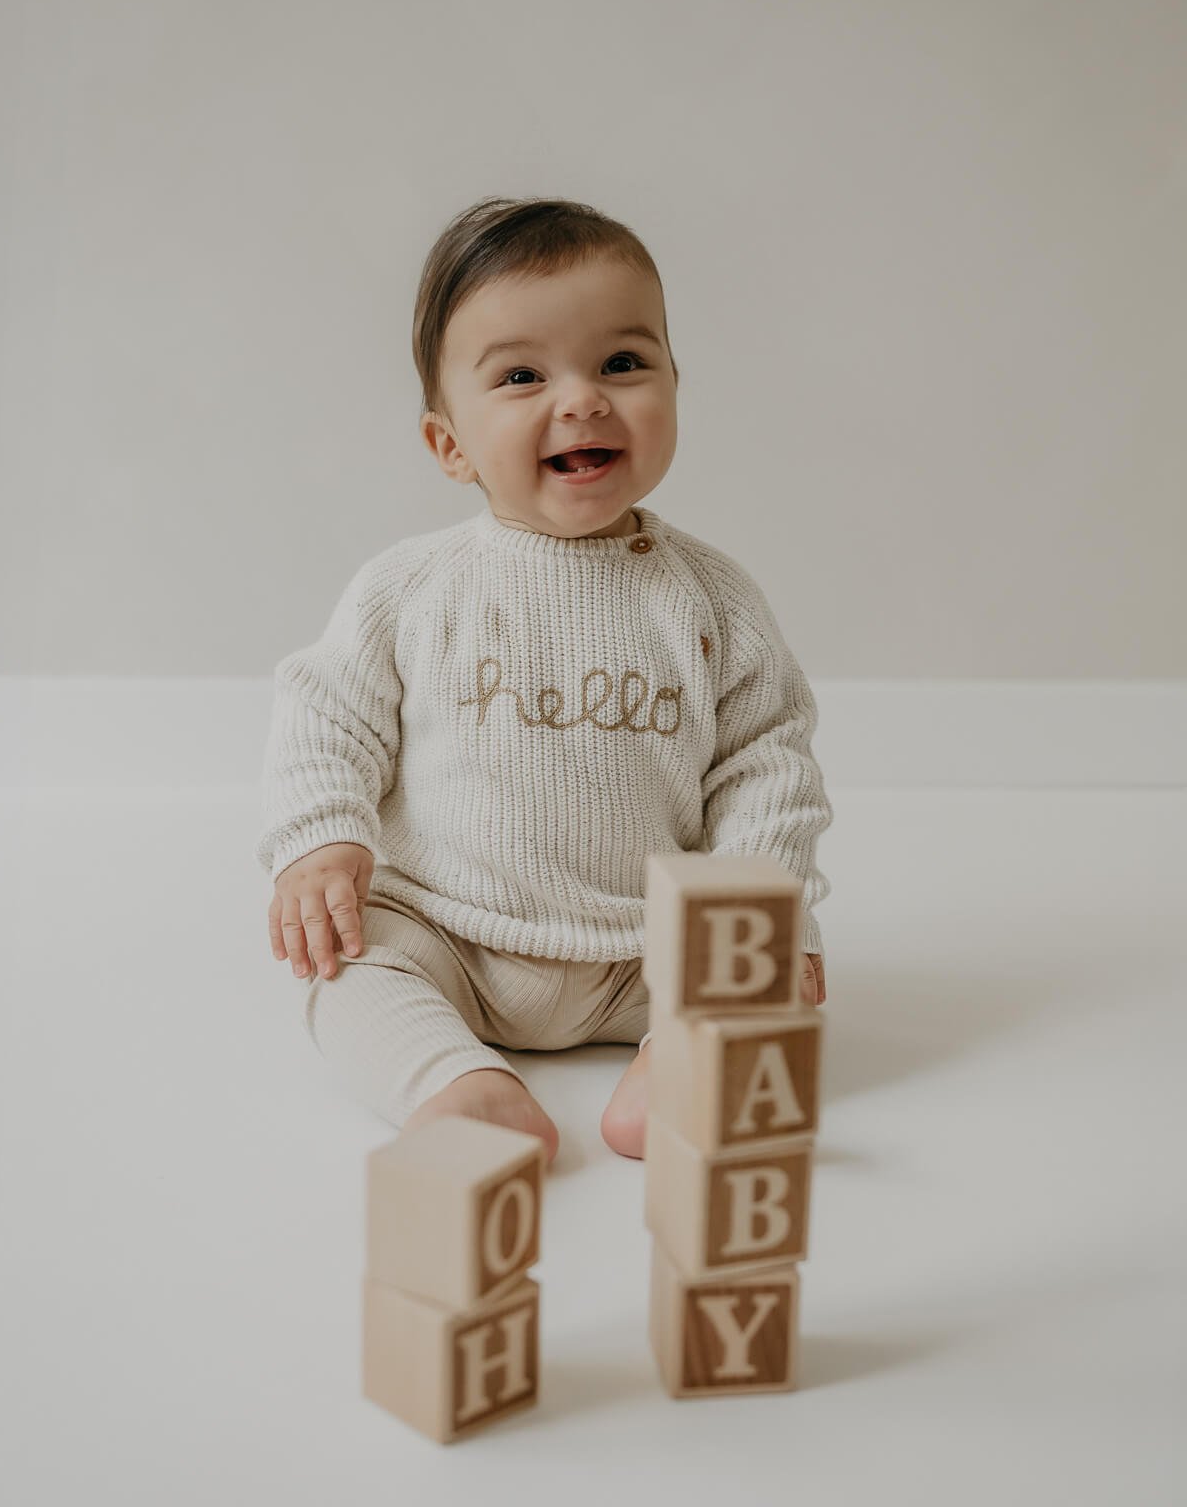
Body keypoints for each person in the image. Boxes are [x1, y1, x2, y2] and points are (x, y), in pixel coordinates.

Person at [257, 196, 832, 1165]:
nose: (583, 399)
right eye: (523, 375)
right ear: (450, 443)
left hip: (641, 950)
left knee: (761, 976)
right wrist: (323, 841)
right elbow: (327, 714)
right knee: (349, 973)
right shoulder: (409, 589)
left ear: (674, 386)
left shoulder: (714, 600)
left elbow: (766, 766)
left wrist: (765, 913)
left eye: (622, 363)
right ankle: (461, 1084)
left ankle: (679, 1060)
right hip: (450, 936)